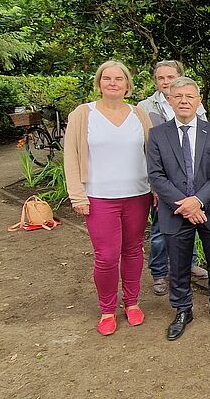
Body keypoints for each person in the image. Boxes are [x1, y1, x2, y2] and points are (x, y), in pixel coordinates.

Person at [64, 60, 153, 336]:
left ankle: (132, 302)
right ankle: (107, 309)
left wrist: (158, 191)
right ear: (99, 83)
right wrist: (77, 195)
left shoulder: (139, 115)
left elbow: (153, 155)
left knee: (133, 250)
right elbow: (71, 157)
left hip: (138, 195)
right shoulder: (83, 114)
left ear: (128, 85)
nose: (112, 83)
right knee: (106, 256)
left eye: (118, 78)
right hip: (99, 197)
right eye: (107, 78)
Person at [147, 77, 210, 341]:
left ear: (199, 101)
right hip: (175, 211)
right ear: (170, 100)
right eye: (178, 97)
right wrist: (185, 205)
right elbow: (156, 175)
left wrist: (197, 201)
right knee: (178, 264)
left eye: (189, 96)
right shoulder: (158, 135)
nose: (184, 101)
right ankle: (182, 309)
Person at [137, 60, 209, 296]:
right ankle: (159, 273)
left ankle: (189, 265)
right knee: (161, 230)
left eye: (170, 77)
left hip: (194, 181)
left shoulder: (193, 102)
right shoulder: (145, 108)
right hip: (165, 184)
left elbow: (205, 141)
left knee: (192, 223)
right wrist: (157, 189)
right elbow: (144, 148)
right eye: (160, 78)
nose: (165, 82)